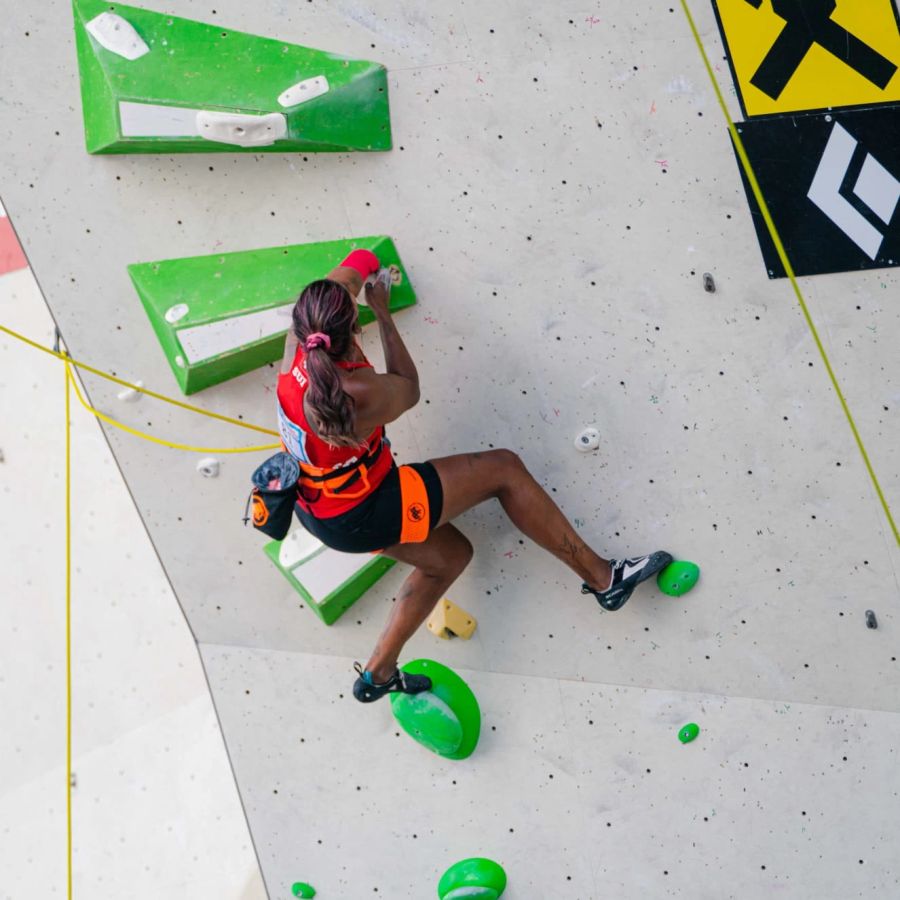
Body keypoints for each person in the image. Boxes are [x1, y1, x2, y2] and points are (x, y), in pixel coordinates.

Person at [277, 249, 672, 703]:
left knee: (449, 556)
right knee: (502, 469)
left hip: (321, 511)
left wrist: (367, 266)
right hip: (367, 508)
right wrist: (384, 313)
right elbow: (408, 388)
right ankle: (606, 580)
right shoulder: (357, 394)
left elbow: (356, 263)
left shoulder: (295, 348)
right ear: (352, 329)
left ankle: (378, 673)